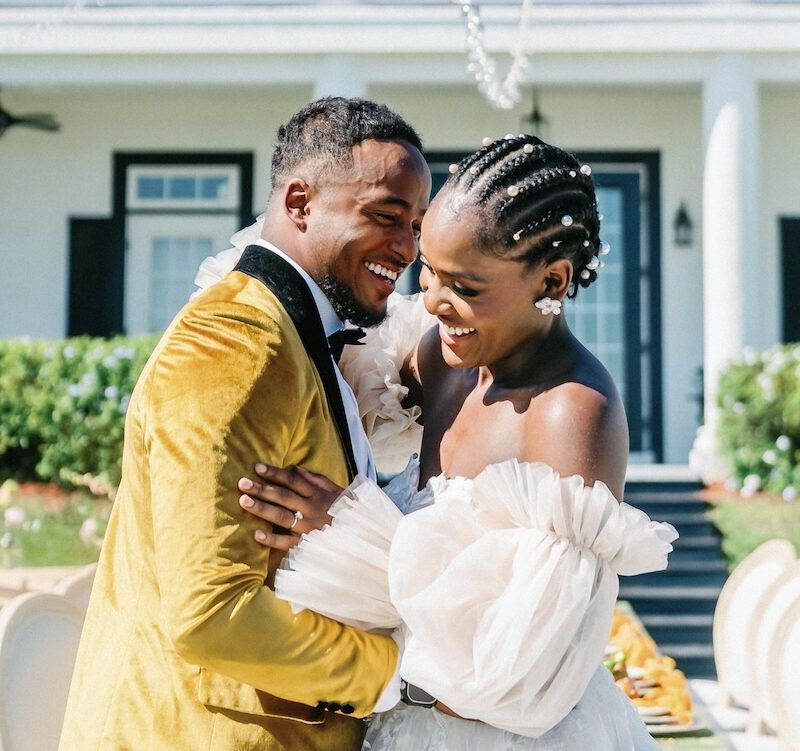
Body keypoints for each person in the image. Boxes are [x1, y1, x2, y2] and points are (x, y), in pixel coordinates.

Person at [234, 135, 678, 749]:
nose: (434, 301)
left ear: (552, 282)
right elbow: (331, 384)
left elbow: (527, 676)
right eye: (430, 270)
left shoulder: (570, 415)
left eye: (465, 287)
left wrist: (345, 528)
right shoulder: (442, 361)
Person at [58, 97, 431, 751]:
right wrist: (402, 675)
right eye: (385, 216)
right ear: (299, 203)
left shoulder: (305, 340)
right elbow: (213, 614)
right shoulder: (235, 339)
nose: (406, 248)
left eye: (417, 226)